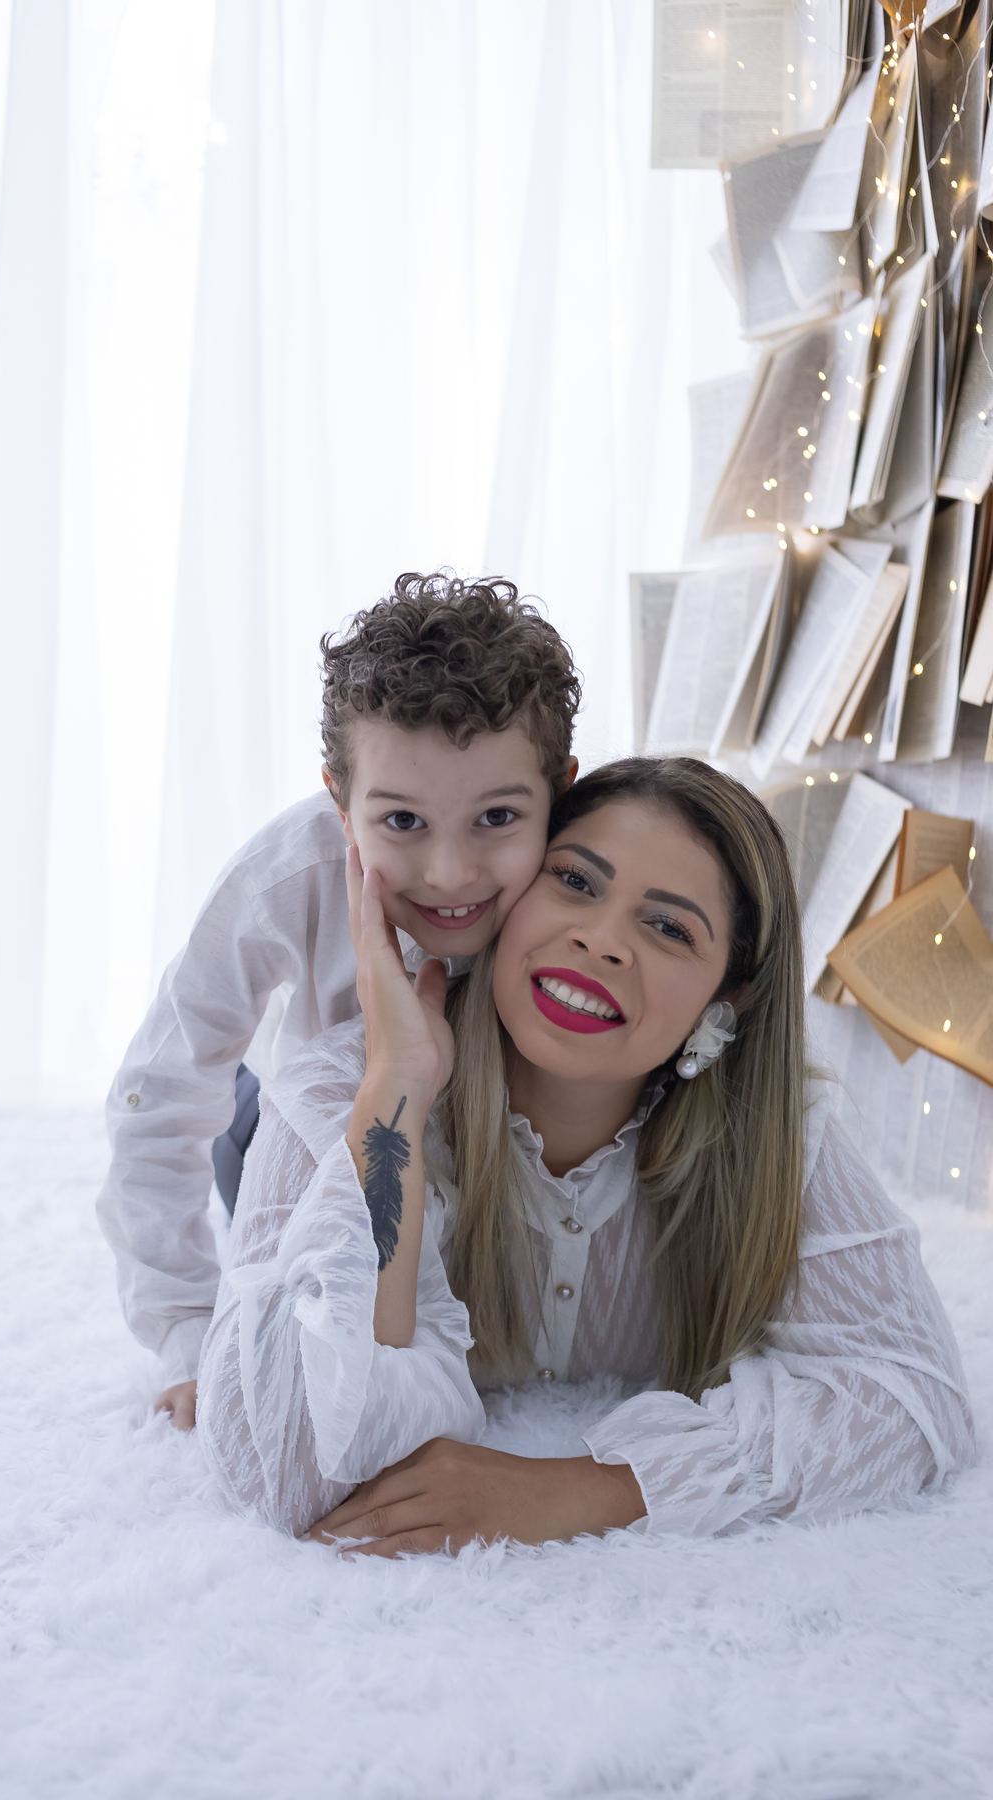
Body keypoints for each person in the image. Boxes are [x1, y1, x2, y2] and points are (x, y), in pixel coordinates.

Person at [197, 758, 976, 1548]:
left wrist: (580, 1491)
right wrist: (397, 1093)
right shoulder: (347, 1083)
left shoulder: (777, 1133)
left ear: (726, 1000)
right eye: (574, 881)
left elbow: (920, 1402)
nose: (601, 942)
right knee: (242, 1132)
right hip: (272, 1128)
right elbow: (288, 1471)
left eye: (669, 928)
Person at [96, 572, 581, 1429]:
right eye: (401, 822)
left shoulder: (589, 881)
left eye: (498, 818)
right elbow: (159, 1094)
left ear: (563, 790)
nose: (450, 873)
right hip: (298, 1136)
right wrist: (186, 1331)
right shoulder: (286, 875)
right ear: (338, 800)